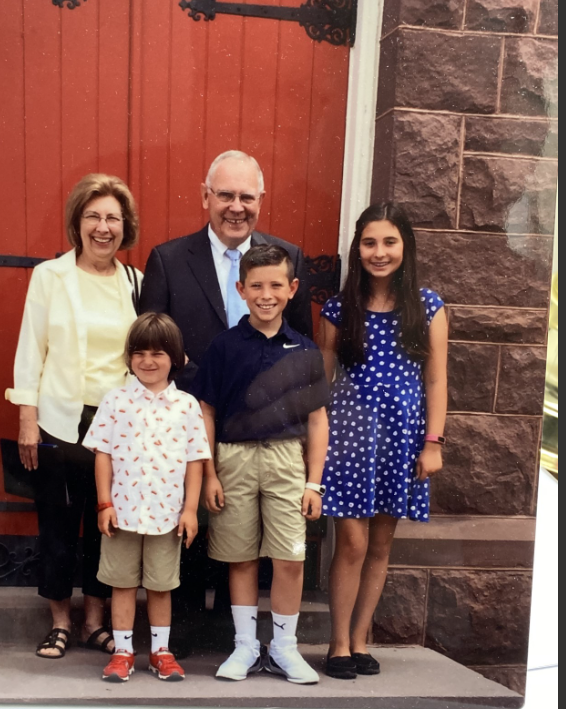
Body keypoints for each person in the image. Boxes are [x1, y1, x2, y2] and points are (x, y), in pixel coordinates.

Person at [5, 173, 142, 659]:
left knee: (107, 525)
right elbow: (31, 349)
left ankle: (93, 622)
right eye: (93, 216)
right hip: (60, 419)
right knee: (59, 525)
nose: (103, 227)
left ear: (126, 225)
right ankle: (60, 622)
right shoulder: (51, 277)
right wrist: (27, 416)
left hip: (119, 428)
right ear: (77, 223)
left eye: (112, 217)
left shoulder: (136, 283)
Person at [318, 202, 448, 680]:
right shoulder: (339, 309)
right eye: (370, 242)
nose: (379, 252)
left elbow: (436, 380)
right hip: (349, 441)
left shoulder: (428, 306)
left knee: (380, 543)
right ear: (358, 249)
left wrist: (432, 442)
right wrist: (319, 442)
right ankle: (337, 643)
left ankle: (359, 639)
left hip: (402, 439)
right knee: (351, 540)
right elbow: (323, 381)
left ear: (405, 247)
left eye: (389, 242)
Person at [193, 244, 330, 684]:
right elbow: (206, 412)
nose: (266, 294)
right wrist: (210, 473)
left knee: (290, 557)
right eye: (256, 286)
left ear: (292, 289)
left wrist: (314, 483)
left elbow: (316, 420)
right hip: (233, 459)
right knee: (241, 556)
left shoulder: (305, 350)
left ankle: (285, 648)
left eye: (275, 285)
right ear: (241, 289)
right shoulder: (225, 346)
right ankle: (246, 646)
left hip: (287, 460)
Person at [83, 313, 211, 682]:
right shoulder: (115, 401)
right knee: (121, 583)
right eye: (139, 353)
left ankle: (160, 652)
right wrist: (105, 503)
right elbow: (103, 455)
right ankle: (123, 652)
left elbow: (195, 461)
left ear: (176, 357)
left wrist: (190, 511)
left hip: (166, 516)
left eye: (157, 353)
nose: (148, 361)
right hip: (122, 513)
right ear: (128, 357)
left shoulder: (186, 406)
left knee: (160, 585)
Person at [139, 150, 313, 393]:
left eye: (247, 197)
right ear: (205, 196)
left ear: (261, 200)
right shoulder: (168, 261)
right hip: (189, 406)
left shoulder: (288, 257)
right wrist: (209, 388)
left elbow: (300, 341)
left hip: (266, 412)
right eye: (226, 195)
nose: (237, 207)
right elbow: (153, 340)